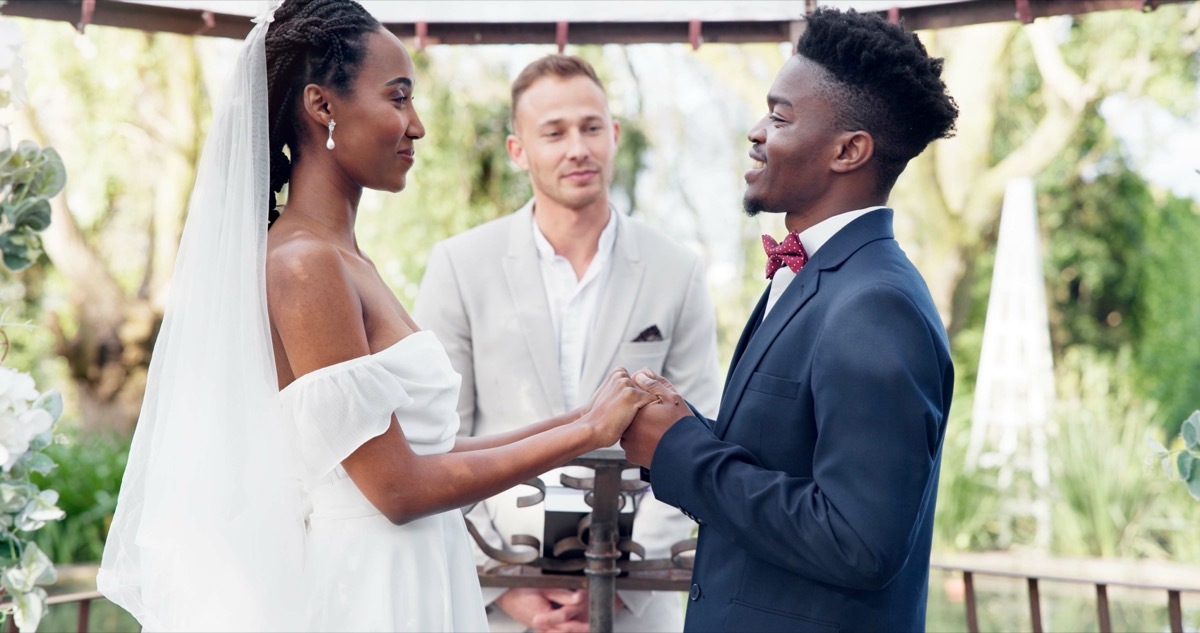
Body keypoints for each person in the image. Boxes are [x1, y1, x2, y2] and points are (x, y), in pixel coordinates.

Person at [98, 2, 656, 631]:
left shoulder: (346, 258)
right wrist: (583, 437)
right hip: (370, 589)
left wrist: (587, 417)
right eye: (398, 98)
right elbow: (397, 490)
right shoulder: (305, 265)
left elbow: (430, 448)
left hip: (417, 566)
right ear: (322, 106)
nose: (416, 126)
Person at [619, 8, 959, 632]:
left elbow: (857, 541)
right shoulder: (817, 276)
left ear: (849, 150)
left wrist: (682, 452)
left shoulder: (875, 306)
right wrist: (686, 422)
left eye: (779, 117)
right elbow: (787, 461)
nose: (755, 131)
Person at [413, 54, 721, 633]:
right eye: (553, 133)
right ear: (518, 151)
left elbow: (698, 435)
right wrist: (511, 588)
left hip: (639, 598)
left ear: (614, 135)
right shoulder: (459, 266)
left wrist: (616, 587)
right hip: (497, 599)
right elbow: (436, 442)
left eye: (591, 127)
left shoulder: (676, 269)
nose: (577, 147)